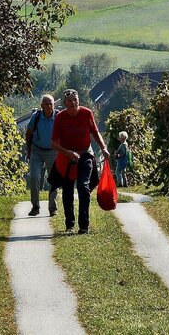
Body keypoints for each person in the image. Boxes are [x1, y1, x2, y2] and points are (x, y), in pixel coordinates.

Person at [51, 89, 111, 234]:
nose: (73, 103)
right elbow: (53, 143)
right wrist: (69, 153)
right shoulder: (60, 118)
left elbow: (95, 132)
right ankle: (70, 225)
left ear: (78, 100)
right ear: (64, 103)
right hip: (67, 156)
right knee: (67, 190)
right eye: (70, 101)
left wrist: (103, 147)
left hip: (85, 154)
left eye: (75, 100)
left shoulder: (87, 113)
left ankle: (84, 226)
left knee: (83, 187)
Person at [25, 94, 58, 217]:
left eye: (51, 104)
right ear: (41, 105)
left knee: (54, 180)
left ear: (54, 105)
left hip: (53, 151)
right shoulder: (36, 116)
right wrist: (28, 150)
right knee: (34, 177)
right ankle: (35, 207)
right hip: (37, 150)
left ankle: (52, 208)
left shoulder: (58, 116)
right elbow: (28, 134)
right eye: (46, 104)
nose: (49, 106)